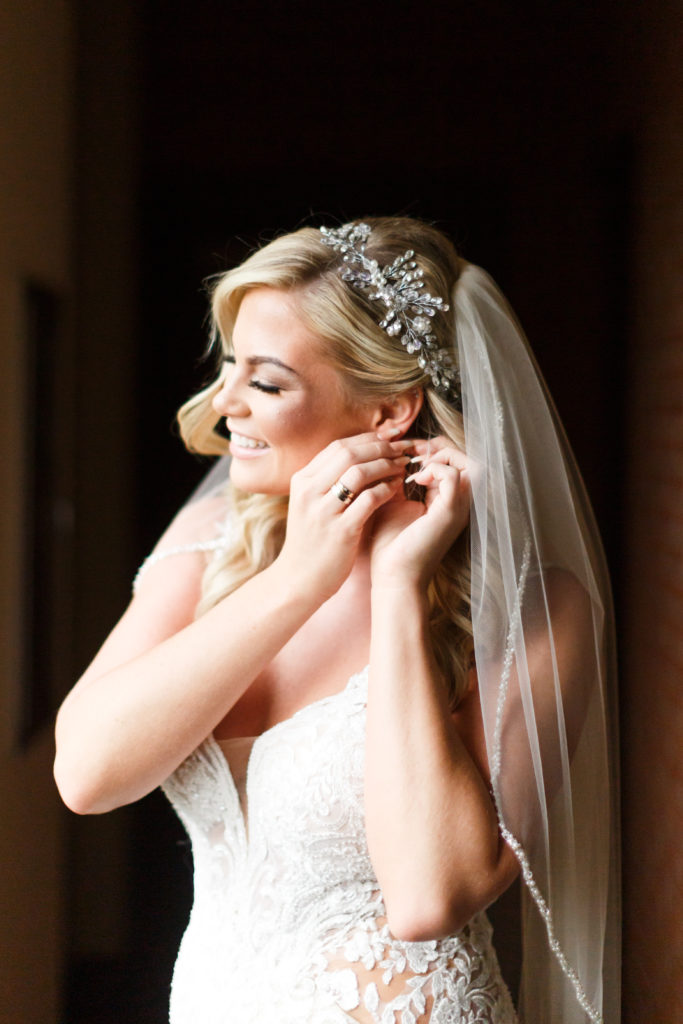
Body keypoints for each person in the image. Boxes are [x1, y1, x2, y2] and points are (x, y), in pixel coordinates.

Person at [54, 218, 620, 1024]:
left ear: (390, 410)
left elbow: (430, 896)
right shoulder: (211, 544)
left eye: (267, 381)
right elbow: (88, 775)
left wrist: (397, 589)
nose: (223, 405)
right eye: (229, 366)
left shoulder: (532, 605)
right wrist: (295, 579)